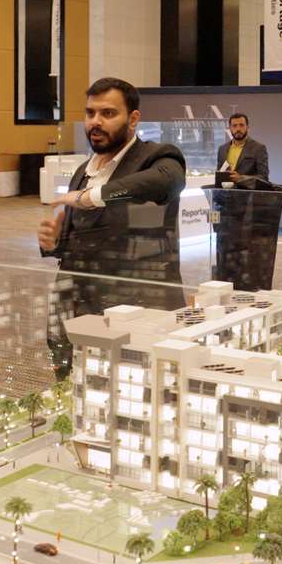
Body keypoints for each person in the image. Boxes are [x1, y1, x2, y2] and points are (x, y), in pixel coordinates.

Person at [39, 78, 187, 379]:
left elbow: (167, 181)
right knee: (73, 393)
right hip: (78, 312)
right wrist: (55, 243)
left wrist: (91, 197)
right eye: (90, 113)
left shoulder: (157, 157)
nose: (96, 122)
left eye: (108, 113)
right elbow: (78, 239)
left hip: (137, 313)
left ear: (133, 119)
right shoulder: (83, 171)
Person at [215, 112, 270, 183]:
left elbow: (264, 177)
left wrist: (241, 178)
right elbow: (219, 176)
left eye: (241, 125)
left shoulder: (259, 148)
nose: (238, 129)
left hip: (245, 190)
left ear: (247, 127)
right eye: (234, 126)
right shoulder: (222, 149)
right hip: (225, 190)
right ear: (230, 128)